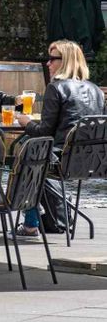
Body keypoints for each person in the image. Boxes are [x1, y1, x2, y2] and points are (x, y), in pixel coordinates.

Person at [15, 40, 105, 237]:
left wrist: (25, 122)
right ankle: (51, 214)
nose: (48, 63)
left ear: (67, 61)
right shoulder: (96, 90)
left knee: (25, 150)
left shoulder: (56, 88)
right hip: (91, 162)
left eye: (52, 59)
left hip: (60, 160)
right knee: (26, 145)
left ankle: (31, 223)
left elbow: (44, 133)